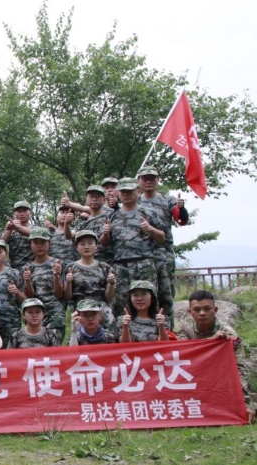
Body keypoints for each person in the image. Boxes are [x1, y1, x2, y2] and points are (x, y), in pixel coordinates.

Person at [175, 290, 255, 423]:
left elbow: (238, 368)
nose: (202, 313)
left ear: (215, 310)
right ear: (190, 312)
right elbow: (182, 353)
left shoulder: (228, 334)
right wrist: (211, 342)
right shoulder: (183, 328)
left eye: (207, 309)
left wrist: (244, 403)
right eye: (197, 309)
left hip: (217, 379)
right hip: (190, 376)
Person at [101, 178, 165, 316]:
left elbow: (162, 238)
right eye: (123, 192)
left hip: (144, 264)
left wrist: (150, 229)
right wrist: (105, 234)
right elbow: (105, 244)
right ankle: (122, 329)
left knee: (148, 303)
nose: (126, 194)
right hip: (121, 266)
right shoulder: (112, 216)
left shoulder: (149, 213)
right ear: (119, 194)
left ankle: (150, 328)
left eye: (129, 191)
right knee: (120, 304)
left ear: (138, 192)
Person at [137, 166, 188, 327]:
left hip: (163, 252)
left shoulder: (168, 200)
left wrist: (181, 208)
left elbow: (181, 219)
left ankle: (168, 330)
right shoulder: (135, 201)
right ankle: (146, 330)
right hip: (141, 254)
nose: (148, 182)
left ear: (158, 180)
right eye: (145, 178)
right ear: (139, 181)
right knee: (143, 294)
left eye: (152, 178)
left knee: (165, 294)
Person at [63, 230, 116, 329]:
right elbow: (67, 297)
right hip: (80, 308)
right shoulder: (70, 268)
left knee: (108, 334)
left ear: (96, 246)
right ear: (77, 247)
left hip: (100, 308)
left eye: (90, 243)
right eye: (82, 244)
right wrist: (69, 282)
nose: (86, 247)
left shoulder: (104, 267)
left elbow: (108, 298)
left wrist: (111, 283)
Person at [22, 227, 66, 340]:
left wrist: (56, 277)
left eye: (43, 242)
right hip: (35, 314)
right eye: (36, 242)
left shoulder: (58, 264)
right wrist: (28, 281)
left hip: (55, 312)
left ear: (49, 244)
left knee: (54, 345)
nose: (39, 246)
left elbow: (61, 294)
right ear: (31, 244)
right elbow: (30, 296)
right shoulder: (28, 267)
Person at [63, 185, 113, 264]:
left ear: (104, 199)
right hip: (88, 264)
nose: (94, 199)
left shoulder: (111, 216)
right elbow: (69, 235)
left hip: (107, 262)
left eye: (98, 196)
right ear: (86, 199)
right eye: (91, 196)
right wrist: (67, 224)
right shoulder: (84, 223)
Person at [2, 201, 34, 270]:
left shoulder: (35, 229)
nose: (22, 214)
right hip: (14, 269)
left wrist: (16, 227)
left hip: (31, 268)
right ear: (14, 214)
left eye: (25, 211)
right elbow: (1, 243)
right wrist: (9, 230)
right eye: (19, 211)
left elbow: (33, 233)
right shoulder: (10, 229)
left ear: (30, 213)